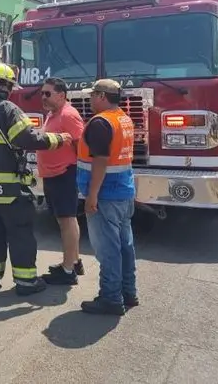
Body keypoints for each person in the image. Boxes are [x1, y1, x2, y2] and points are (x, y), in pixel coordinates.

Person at [0, 63, 73, 296]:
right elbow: (27, 138)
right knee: (20, 233)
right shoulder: (9, 110)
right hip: (9, 190)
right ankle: (26, 282)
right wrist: (58, 139)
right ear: (6, 86)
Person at [77, 79, 138, 315]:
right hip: (123, 192)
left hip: (105, 195)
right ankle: (128, 292)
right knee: (125, 246)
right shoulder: (123, 118)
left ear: (102, 96)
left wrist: (92, 196)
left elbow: (100, 161)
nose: (90, 99)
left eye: (92, 95)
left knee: (108, 250)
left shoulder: (100, 123)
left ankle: (111, 298)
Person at [37, 78, 87, 286]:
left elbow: (81, 146)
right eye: (42, 93)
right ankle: (73, 262)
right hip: (52, 174)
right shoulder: (52, 114)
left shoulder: (68, 115)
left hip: (64, 174)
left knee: (67, 220)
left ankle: (67, 272)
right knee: (64, 220)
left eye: (47, 94)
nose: (43, 97)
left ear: (61, 95)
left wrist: (74, 170)